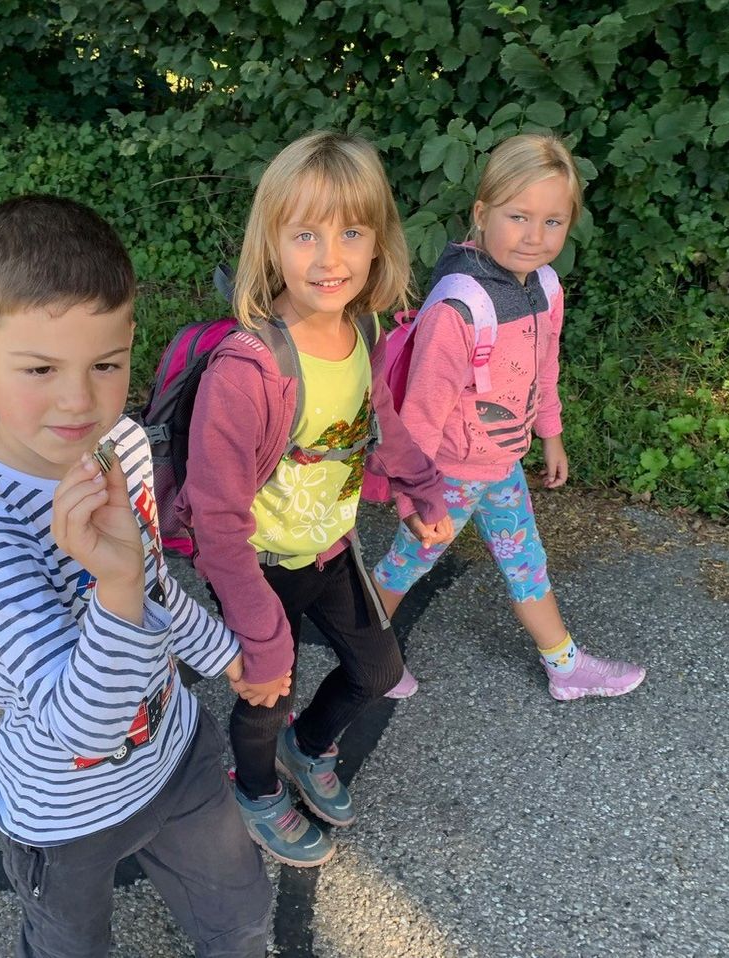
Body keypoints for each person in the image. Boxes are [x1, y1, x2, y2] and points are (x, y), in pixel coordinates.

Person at [0, 195, 271, 958]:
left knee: (243, 918)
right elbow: (80, 726)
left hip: (175, 752)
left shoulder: (121, 443)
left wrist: (223, 652)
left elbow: (154, 586)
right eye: (40, 369)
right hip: (66, 811)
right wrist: (114, 590)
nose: (79, 401)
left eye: (106, 364)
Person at [176, 132, 453, 867]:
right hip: (258, 562)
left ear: (378, 242)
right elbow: (215, 519)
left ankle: (309, 745)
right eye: (306, 235)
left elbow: (377, 419)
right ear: (270, 242)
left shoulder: (362, 328)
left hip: (330, 546)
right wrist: (258, 631)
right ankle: (256, 788)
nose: (331, 259)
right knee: (267, 688)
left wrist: (419, 485)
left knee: (378, 672)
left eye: (351, 233)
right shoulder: (248, 370)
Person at [371, 133, 646, 702]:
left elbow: (545, 368)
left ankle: (564, 666)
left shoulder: (545, 286)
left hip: (501, 465)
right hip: (447, 475)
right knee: (403, 567)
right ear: (482, 213)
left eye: (553, 221)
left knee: (526, 563)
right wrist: (414, 498)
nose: (534, 236)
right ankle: (366, 661)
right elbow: (421, 415)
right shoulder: (458, 307)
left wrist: (551, 433)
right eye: (518, 216)